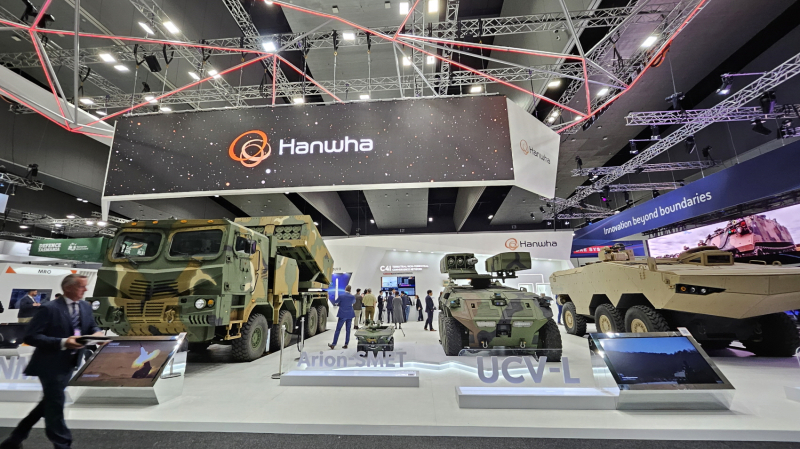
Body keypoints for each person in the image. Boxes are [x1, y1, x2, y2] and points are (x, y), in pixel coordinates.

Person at [1, 274, 102, 449]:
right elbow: (31, 337)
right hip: (49, 365)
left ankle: (15, 439)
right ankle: (62, 443)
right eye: (81, 286)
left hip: (70, 363)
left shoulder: (85, 306)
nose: (85, 290)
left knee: (48, 403)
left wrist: (97, 334)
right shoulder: (49, 308)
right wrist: (63, 342)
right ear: (68, 288)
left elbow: (91, 326)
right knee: (55, 404)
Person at [328, 285, 356, 350]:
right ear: (350, 290)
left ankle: (333, 344)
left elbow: (336, 302)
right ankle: (346, 344)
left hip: (342, 314)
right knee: (348, 330)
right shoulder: (352, 296)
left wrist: (340, 304)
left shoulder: (341, 296)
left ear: (345, 289)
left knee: (338, 329)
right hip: (350, 314)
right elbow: (353, 302)